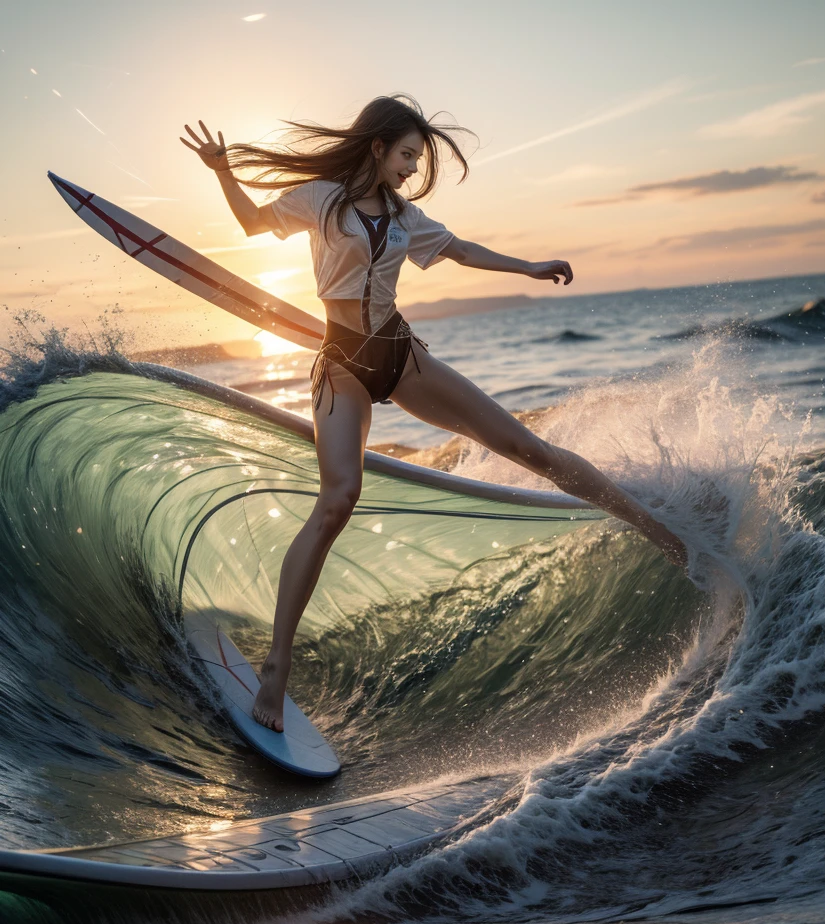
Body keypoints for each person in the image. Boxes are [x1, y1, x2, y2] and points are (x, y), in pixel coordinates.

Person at [180, 95, 687, 733]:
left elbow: (462, 250)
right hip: (341, 366)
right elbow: (254, 223)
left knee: (531, 451)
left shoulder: (404, 217)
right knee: (338, 500)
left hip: (399, 355)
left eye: (418, 160)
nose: (412, 170)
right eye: (407, 156)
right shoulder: (320, 199)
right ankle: (277, 668)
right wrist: (223, 170)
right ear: (376, 146)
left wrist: (528, 266)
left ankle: (657, 529)